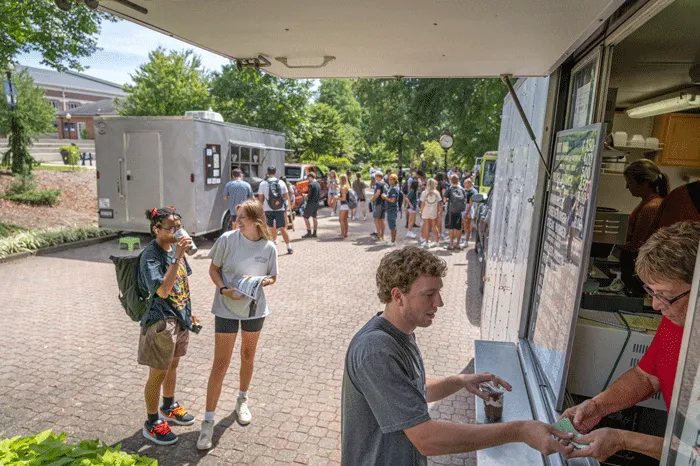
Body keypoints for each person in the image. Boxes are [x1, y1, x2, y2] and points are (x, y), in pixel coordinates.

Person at [341, 246, 574, 465]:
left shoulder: (401, 333)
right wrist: (520, 430)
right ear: (398, 296)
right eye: (429, 294)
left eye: (439, 292)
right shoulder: (376, 350)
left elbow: (410, 392)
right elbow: (427, 439)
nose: (439, 303)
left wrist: (458, 382)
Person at [560, 221, 700, 462]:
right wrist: (597, 406)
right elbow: (647, 376)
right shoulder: (677, 316)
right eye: (652, 292)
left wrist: (623, 440)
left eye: (664, 296)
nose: (656, 305)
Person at [197, 200, 278, 450]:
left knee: (247, 355)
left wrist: (258, 283)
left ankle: (242, 400)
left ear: (256, 220)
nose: (237, 221)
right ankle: (208, 421)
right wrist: (224, 289)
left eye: (242, 217)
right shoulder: (227, 240)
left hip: (254, 309)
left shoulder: (269, 247)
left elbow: (273, 276)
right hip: (226, 307)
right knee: (220, 363)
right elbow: (213, 269)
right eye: (237, 216)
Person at [138, 206, 198, 446]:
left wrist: (190, 312)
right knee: (157, 373)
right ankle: (152, 422)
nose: (176, 230)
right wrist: (176, 257)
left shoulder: (175, 249)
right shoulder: (150, 255)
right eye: (170, 227)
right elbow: (162, 290)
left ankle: (169, 406)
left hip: (180, 317)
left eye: (178, 226)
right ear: (156, 229)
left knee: (173, 365)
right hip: (161, 321)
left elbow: (182, 282)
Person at [620, 160, 669, 295]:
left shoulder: (651, 207)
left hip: (640, 268)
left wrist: (615, 243)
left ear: (644, 183)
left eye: (630, 182)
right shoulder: (647, 202)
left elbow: (637, 245)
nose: (626, 186)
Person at [258, 166, 293, 255]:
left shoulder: (263, 184)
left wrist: (260, 210)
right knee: (282, 229)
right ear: (275, 172)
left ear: (267, 172)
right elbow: (286, 196)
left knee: (269, 229)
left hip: (267, 209)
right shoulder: (281, 182)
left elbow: (260, 199)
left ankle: (271, 249)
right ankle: (289, 247)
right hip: (280, 209)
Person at [443, 174, 467, 250]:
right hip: (459, 211)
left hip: (451, 211)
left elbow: (444, 200)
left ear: (450, 180)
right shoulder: (462, 189)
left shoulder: (449, 189)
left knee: (451, 228)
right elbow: (465, 200)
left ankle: (451, 244)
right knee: (458, 228)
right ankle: (458, 244)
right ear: (458, 180)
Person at [419, 179, 440, 249]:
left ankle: (426, 242)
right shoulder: (437, 192)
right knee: (434, 226)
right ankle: (437, 241)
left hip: (426, 211)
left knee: (426, 226)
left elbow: (422, 204)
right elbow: (439, 203)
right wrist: (438, 211)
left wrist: (421, 211)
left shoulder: (424, 192)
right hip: (433, 211)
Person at [383, 173, 400, 246]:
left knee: (392, 225)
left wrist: (385, 197)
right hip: (390, 208)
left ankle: (393, 241)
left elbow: (393, 200)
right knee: (391, 225)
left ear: (394, 180)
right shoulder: (391, 187)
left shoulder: (394, 188)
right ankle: (392, 240)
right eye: (388, 179)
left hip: (392, 209)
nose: (389, 180)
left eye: (391, 179)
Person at [302, 172, 321, 238]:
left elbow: (309, 195)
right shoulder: (318, 184)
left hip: (310, 203)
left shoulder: (311, 185)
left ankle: (309, 232)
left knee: (305, 217)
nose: (308, 179)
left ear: (310, 177)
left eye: (308, 178)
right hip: (316, 203)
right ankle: (315, 232)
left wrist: (305, 195)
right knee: (314, 217)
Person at [461, 178, 478, 248]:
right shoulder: (465, 190)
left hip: (468, 211)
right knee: (465, 225)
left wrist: (466, 213)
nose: (464, 184)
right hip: (465, 210)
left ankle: (466, 242)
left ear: (469, 184)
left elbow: (470, 205)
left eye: (465, 183)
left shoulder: (472, 192)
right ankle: (465, 239)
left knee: (466, 226)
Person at [371, 172, 388, 242]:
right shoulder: (385, 183)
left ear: (378, 176)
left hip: (378, 203)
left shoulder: (378, 183)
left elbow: (378, 193)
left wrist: (372, 199)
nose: (375, 178)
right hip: (384, 203)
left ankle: (379, 235)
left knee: (376, 219)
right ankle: (382, 236)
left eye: (375, 176)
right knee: (382, 219)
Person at [338, 174, 351, 239]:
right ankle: (345, 233)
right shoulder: (347, 186)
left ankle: (342, 234)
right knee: (345, 220)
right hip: (347, 205)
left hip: (344, 205)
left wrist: (336, 198)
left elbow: (343, 198)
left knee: (341, 220)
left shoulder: (343, 188)